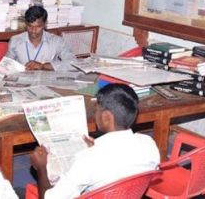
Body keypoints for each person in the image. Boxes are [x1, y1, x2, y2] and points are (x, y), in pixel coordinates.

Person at [29, 84, 160, 199]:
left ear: (106, 117)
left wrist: (41, 167)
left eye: (96, 110)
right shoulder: (149, 144)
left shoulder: (87, 159)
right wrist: (95, 148)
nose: (94, 114)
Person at [6, 5, 74, 71]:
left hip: (47, 81)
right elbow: (5, 66)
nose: (33, 31)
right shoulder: (15, 40)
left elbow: (73, 63)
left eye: (38, 27)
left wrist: (43, 66)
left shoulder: (57, 41)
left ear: (45, 24)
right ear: (26, 24)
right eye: (30, 26)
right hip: (23, 80)